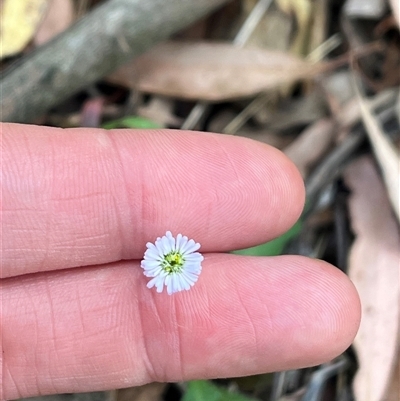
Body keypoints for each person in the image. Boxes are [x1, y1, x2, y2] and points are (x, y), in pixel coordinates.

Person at [1, 123, 361, 400]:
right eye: (172, 260)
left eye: (174, 260)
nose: (174, 260)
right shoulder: (166, 256)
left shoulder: (179, 263)